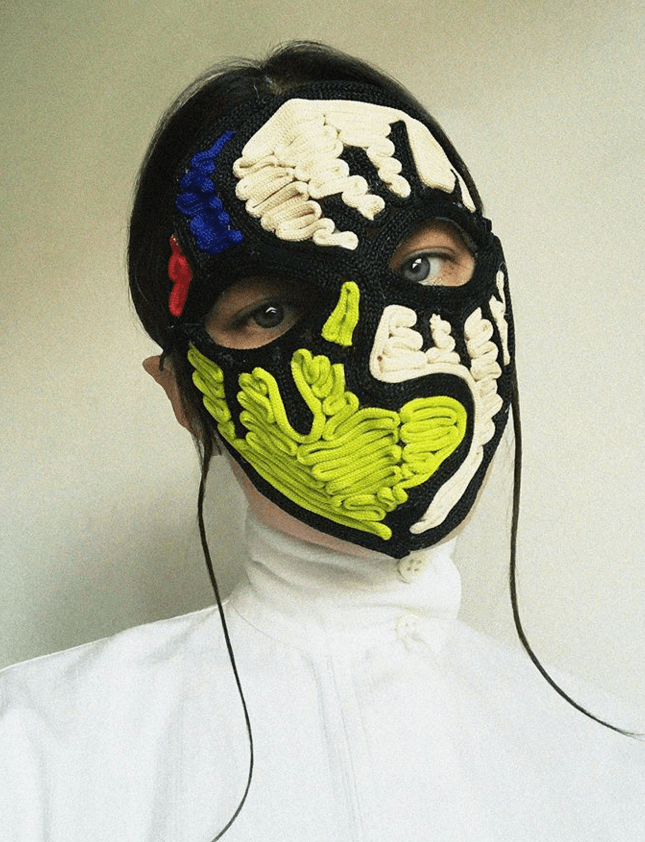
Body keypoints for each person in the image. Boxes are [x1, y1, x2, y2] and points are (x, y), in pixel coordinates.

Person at [1, 40, 644, 842]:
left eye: (421, 267)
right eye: (269, 311)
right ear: (183, 395)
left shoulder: (615, 771)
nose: (378, 353)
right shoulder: (31, 756)